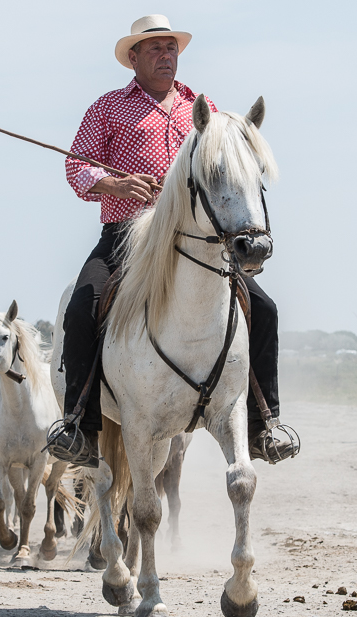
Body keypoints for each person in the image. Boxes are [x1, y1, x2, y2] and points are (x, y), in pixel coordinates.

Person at [45, 15, 291, 467]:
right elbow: (75, 166)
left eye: (171, 48)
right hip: (125, 236)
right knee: (82, 306)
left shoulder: (201, 107)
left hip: (194, 238)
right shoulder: (107, 108)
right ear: (133, 58)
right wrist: (112, 185)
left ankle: (264, 422)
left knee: (266, 309)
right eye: (154, 48)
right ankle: (78, 425)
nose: (166, 56)